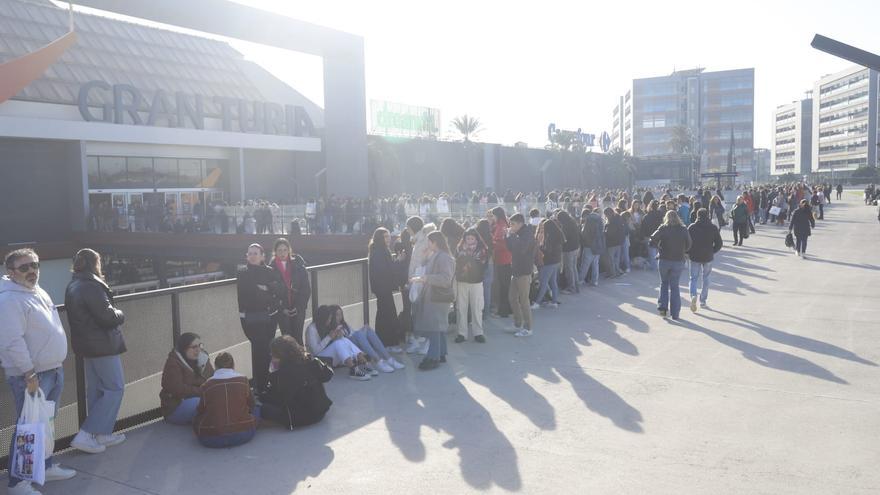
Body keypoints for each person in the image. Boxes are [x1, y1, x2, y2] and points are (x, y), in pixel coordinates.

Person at [1, 249, 77, 494]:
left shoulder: (37, 291)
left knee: (46, 425)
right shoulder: (9, 299)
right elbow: (11, 341)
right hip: (32, 376)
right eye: (24, 267)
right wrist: (29, 372)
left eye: (34, 264)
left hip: (51, 370)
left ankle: (45, 466)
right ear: (10, 273)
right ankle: (18, 483)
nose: (32, 270)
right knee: (29, 429)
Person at [65, 249, 127, 454]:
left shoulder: (74, 284)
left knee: (97, 390)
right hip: (102, 345)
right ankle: (86, 434)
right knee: (115, 388)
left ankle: (101, 434)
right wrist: (120, 313)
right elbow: (108, 317)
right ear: (95, 263)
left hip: (87, 346)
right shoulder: (91, 285)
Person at [237, 243, 284, 393]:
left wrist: (266, 289)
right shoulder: (242, 273)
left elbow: (279, 290)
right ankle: (261, 385)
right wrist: (266, 291)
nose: (252, 256)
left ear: (263, 256)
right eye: (249, 253)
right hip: (251, 318)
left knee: (269, 350)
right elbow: (247, 295)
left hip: (270, 317)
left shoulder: (270, 271)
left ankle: (270, 380)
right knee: (258, 352)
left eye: (255, 253)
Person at [260, 335, 333, 429]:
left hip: (303, 417)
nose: (271, 355)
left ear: (279, 355)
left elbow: (281, 399)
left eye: (272, 354)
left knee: (263, 408)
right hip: (321, 410)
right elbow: (327, 375)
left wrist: (272, 374)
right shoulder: (308, 360)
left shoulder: (285, 372)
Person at [410, 231, 455, 370]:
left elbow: (446, 279)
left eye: (429, 241)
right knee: (438, 327)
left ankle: (433, 357)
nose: (427, 244)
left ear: (435, 242)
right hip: (435, 296)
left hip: (437, 297)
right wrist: (424, 258)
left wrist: (426, 278)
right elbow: (430, 269)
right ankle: (441, 353)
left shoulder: (444, 257)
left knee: (434, 327)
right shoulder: (438, 255)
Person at [193, 352, 256, 448]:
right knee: (258, 409)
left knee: (195, 417)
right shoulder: (243, 380)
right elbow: (252, 404)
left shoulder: (207, 385)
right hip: (244, 435)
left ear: (216, 366)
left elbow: (200, 410)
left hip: (211, 439)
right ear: (233, 365)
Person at [305, 305, 373, 380]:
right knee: (338, 343)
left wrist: (336, 336)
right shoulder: (311, 329)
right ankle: (354, 370)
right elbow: (315, 351)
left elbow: (329, 344)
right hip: (316, 360)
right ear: (323, 318)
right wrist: (329, 337)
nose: (330, 320)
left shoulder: (323, 326)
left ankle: (364, 362)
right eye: (329, 318)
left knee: (343, 340)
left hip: (326, 357)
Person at [160, 332, 215, 424]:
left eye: (199, 346)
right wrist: (203, 391)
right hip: (176, 407)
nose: (198, 350)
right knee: (203, 403)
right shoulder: (173, 363)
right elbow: (178, 389)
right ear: (184, 348)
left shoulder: (203, 358)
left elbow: (212, 378)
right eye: (194, 347)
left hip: (201, 398)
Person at [330, 305, 404, 372]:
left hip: (355, 343)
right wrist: (338, 331)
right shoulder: (332, 328)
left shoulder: (344, 324)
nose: (340, 317)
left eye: (341, 314)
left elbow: (353, 333)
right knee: (359, 334)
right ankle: (378, 361)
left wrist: (363, 329)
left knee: (367, 330)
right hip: (348, 348)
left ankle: (389, 359)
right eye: (337, 315)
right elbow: (341, 342)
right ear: (332, 316)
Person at [650, 211, 692, 320]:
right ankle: (675, 313)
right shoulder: (683, 229)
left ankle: (663, 308)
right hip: (678, 260)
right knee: (675, 286)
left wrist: (658, 247)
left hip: (664, 259)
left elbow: (652, 239)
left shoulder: (663, 228)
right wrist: (683, 251)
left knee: (664, 284)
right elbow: (689, 244)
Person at [269, 238, 310, 345]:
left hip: (298, 308)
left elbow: (305, 289)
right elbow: (270, 293)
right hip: (283, 310)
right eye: (279, 250)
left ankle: (301, 361)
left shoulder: (298, 265)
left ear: (289, 250)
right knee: (287, 340)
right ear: (275, 252)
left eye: (285, 250)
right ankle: (290, 361)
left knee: (298, 337)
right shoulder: (270, 269)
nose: (282, 253)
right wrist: (282, 309)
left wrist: (299, 306)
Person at [368, 228, 404, 349]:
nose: (388, 239)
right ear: (380, 238)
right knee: (387, 314)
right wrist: (398, 261)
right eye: (385, 237)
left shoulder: (379, 250)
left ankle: (384, 341)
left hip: (382, 288)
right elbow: (384, 270)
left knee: (384, 313)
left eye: (388, 236)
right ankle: (388, 342)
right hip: (383, 288)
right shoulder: (379, 251)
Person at [405, 216, 435, 354]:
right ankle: (422, 340)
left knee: (419, 311)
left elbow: (419, 261)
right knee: (419, 311)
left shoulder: (421, 241)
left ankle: (424, 341)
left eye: (408, 227)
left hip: (419, 279)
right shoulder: (422, 238)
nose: (407, 230)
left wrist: (412, 278)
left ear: (412, 228)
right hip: (419, 279)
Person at [454, 228, 488, 343]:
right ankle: (461, 333)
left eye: (472, 238)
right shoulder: (459, 248)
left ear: (476, 239)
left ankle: (478, 333)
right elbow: (457, 263)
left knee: (477, 307)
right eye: (467, 238)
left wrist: (467, 260)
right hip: (462, 281)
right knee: (461, 308)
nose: (469, 241)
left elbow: (482, 265)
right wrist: (469, 260)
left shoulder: (482, 249)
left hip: (476, 282)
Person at [506, 213, 537, 337]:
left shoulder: (527, 233)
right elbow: (511, 249)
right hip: (516, 270)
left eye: (513, 224)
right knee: (512, 298)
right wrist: (508, 236)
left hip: (524, 271)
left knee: (524, 301)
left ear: (520, 223)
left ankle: (528, 328)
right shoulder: (517, 233)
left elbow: (521, 249)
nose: (511, 226)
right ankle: (517, 324)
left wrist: (512, 236)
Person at [687, 209, 723, 311]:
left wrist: (688, 252)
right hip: (708, 256)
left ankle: (693, 295)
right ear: (708, 215)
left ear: (697, 215)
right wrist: (712, 251)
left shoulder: (692, 227)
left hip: (694, 256)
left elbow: (687, 242)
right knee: (706, 278)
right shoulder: (713, 227)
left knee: (693, 278)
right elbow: (719, 243)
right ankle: (703, 300)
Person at [532, 218, 562, 309]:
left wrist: (540, 247)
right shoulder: (556, 236)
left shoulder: (550, 238)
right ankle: (554, 301)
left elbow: (547, 251)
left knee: (544, 282)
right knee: (552, 282)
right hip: (554, 262)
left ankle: (537, 303)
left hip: (548, 262)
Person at [489, 207, 513, 318]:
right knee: (505, 286)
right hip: (505, 258)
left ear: (497, 215)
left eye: (493, 215)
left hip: (502, 259)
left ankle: (503, 311)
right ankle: (508, 309)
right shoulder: (503, 224)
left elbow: (503, 244)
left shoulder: (501, 225)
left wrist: (492, 243)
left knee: (503, 286)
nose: (492, 218)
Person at [579, 206, 606, 286]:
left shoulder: (589, 220)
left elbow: (585, 234)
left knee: (585, 264)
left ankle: (580, 280)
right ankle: (595, 281)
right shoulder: (599, 219)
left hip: (589, 245)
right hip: (598, 245)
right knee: (595, 264)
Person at [557, 211, 581, 294]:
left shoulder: (566, 225)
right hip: (575, 247)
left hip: (568, 249)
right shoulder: (572, 222)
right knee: (573, 268)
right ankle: (576, 286)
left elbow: (564, 238)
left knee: (569, 269)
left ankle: (571, 288)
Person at [475, 219, 494, 320]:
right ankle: (486, 313)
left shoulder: (476, 237)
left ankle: (478, 311)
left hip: (478, 265)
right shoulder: (490, 237)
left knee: (477, 290)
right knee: (487, 290)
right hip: (490, 263)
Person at [640, 200, 663, 271]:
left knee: (652, 253)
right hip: (659, 236)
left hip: (649, 235)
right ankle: (659, 267)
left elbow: (643, 227)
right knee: (659, 251)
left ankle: (654, 267)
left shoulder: (646, 216)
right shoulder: (661, 215)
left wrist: (642, 236)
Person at [604, 207, 626, 278]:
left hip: (612, 243)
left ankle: (612, 274)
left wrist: (605, 231)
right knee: (616, 259)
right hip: (619, 242)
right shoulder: (618, 218)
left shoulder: (612, 221)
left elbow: (610, 233)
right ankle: (617, 272)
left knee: (611, 259)